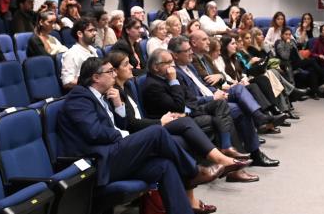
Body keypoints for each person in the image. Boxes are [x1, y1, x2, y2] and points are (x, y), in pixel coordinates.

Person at [57, 57, 214, 214]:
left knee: (164, 165)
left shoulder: (104, 96)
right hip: (99, 162)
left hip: (114, 153)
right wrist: (122, 135)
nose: (114, 74)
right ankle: (193, 172)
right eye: (110, 71)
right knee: (157, 132)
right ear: (96, 77)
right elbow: (94, 133)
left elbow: (120, 125)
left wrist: (119, 105)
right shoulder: (79, 98)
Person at [108, 51, 252, 179]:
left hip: (172, 116)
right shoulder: (127, 90)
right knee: (195, 121)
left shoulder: (127, 86)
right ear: (115, 71)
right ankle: (220, 160)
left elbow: (186, 99)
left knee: (220, 110)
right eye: (126, 64)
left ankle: (225, 157)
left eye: (172, 62)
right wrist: (160, 121)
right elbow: (130, 123)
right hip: (147, 129)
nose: (131, 67)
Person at [168, 36, 280, 168]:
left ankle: (260, 117)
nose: (191, 52)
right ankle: (255, 152)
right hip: (206, 104)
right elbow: (188, 101)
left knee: (238, 88)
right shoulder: (175, 74)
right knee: (240, 109)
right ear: (175, 55)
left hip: (214, 94)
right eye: (187, 50)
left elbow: (204, 84)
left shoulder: (190, 66)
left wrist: (216, 91)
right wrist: (213, 97)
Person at [274, 27, 324, 98]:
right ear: (282, 35)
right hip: (288, 64)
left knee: (312, 69)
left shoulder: (292, 41)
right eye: (286, 34)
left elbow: (297, 52)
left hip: (298, 62)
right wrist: (287, 45)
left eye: (289, 34)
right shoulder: (279, 43)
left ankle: (314, 92)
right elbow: (285, 57)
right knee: (312, 61)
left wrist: (302, 58)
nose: (288, 36)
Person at [60, 18, 99, 88]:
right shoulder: (71, 54)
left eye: (95, 30)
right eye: (91, 30)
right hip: (84, 92)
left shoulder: (93, 50)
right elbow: (67, 82)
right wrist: (90, 79)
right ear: (80, 34)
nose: (95, 33)